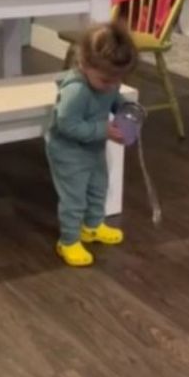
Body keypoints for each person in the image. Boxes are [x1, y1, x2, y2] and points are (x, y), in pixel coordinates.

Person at [46, 21, 138, 267]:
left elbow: (114, 99)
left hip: (93, 146)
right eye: (106, 80)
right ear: (84, 64)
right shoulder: (76, 91)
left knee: (99, 186)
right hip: (68, 151)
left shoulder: (108, 81)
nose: (112, 85)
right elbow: (66, 125)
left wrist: (127, 110)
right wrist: (103, 130)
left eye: (118, 79)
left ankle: (93, 226)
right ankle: (68, 240)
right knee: (74, 197)